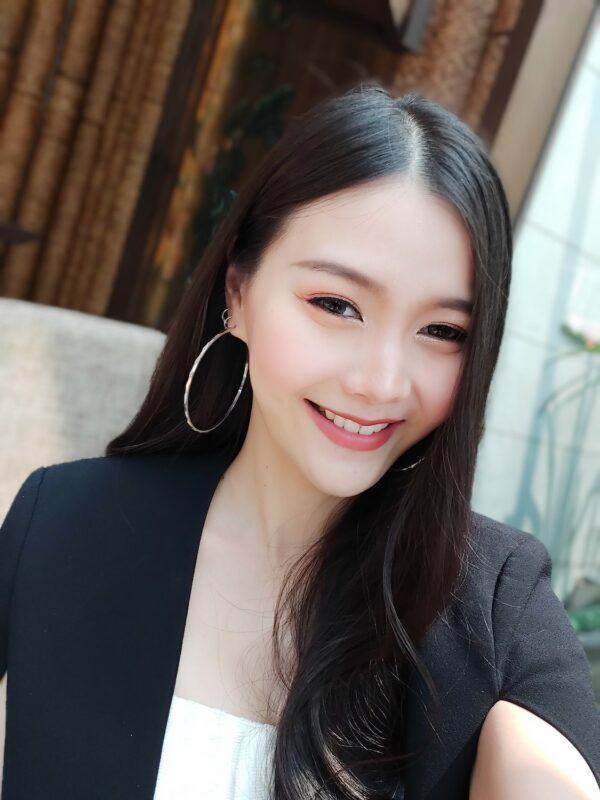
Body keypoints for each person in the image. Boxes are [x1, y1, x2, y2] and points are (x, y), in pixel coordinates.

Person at [0, 82, 599, 800]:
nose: (380, 383)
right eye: (336, 305)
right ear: (239, 293)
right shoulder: (65, 521)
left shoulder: (496, 606)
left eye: (441, 331)